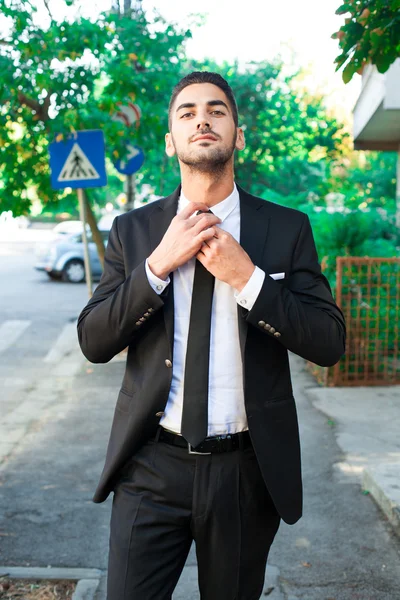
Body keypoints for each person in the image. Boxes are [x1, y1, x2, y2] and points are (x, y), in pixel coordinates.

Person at [77, 71, 346, 600]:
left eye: (218, 110)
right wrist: (156, 266)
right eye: (188, 113)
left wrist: (249, 278)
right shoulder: (133, 232)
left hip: (246, 472)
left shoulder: (286, 229)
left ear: (238, 135)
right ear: (171, 141)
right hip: (150, 465)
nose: (203, 118)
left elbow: (328, 341)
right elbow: (93, 340)